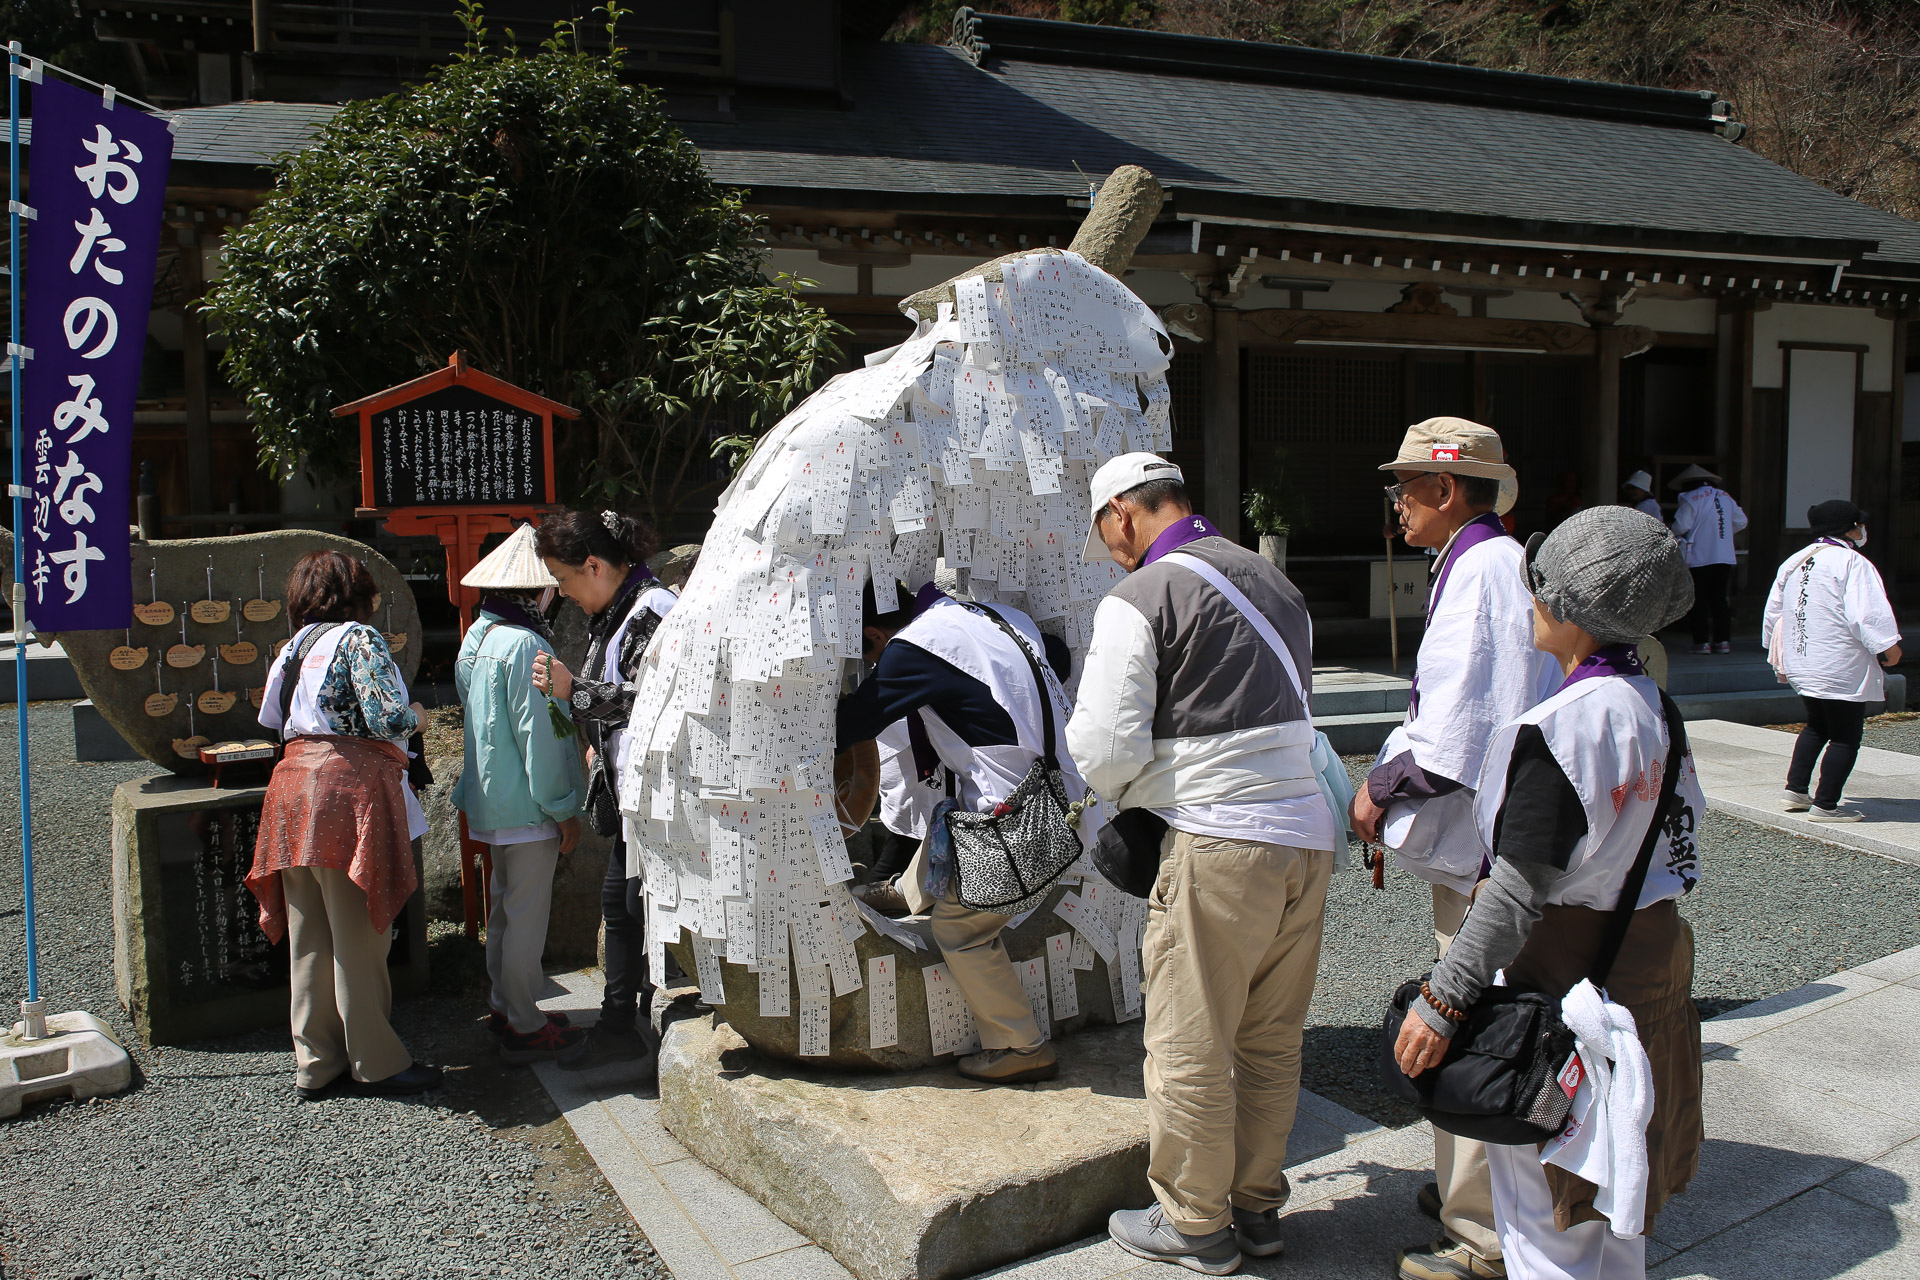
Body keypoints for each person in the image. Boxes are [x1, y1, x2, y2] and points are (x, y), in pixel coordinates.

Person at [1393, 506, 1704, 1280]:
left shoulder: (1561, 728)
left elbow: (1516, 891)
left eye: (1543, 587)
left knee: (1545, 1212)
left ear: (1574, 611)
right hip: (1649, 956)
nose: (1532, 599)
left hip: (1565, 970)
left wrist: (1444, 999)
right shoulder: (1653, 706)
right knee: (1616, 1197)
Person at [1065, 454, 1336, 1274]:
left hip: (1218, 843)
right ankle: (1257, 1208)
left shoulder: (1142, 596)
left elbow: (1103, 750)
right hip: (1306, 838)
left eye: (1105, 534)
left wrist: (1135, 783)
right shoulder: (1273, 580)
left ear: (1122, 514)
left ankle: (1192, 1221)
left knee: (1190, 1037)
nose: (1110, 549)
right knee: (1269, 1038)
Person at [1350, 418, 1561, 1280]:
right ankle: (1480, 1197)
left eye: (1406, 486)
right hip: (1509, 832)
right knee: (1489, 1008)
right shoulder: (1495, 564)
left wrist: (1377, 790)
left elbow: (1449, 738)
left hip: (1484, 845)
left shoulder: (1477, 574)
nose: (1397, 502)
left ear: (1445, 490)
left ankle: (1477, 1230)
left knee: (1464, 1019)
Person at [836, 579, 1097, 1085]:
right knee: (949, 815)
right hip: (1073, 786)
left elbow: (852, 724)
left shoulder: (912, 650)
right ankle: (908, 890)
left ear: (872, 635)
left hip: (1028, 821)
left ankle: (1020, 1044)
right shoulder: (993, 614)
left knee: (961, 930)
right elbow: (1059, 657)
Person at [248, 550, 441, 1100]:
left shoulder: (291, 648)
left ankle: (317, 1060)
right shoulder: (359, 639)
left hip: (290, 790)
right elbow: (387, 718)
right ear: (355, 595)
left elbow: (269, 720)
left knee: (308, 932)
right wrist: (423, 716)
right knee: (358, 933)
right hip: (347, 788)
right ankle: (375, 1061)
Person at [530, 510, 677, 1073]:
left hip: (661, 796)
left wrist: (575, 691)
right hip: (633, 792)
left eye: (565, 580)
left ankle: (623, 1024)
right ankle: (624, 1020)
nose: (563, 593)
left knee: (626, 903)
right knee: (621, 903)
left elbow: (654, 700)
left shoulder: (651, 610)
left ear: (594, 565)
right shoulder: (620, 611)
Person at [453, 525, 589, 1063]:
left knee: (504, 913)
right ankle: (526, 1025)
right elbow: (543, 731)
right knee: (526, 918)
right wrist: (563, 807)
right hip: (528, 804)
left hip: (490, 800)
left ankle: (506, 1007)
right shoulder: (527, 643)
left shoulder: (477, 637)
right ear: (536, 590)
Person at [1762, 499, 1903, 822]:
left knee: (1817, 724)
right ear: (1850, 528)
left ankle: (1796, 788)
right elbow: (1866, 612)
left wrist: (1774, 649)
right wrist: (1887, 646)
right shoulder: (1851, 561)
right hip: (1839, 660)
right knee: (1845, 734)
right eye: (1859, 524)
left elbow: (1774, 612)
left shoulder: (1795, 561)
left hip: (1803, 658)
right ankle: (1826, 805)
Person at [1668, 463, 1747, 654]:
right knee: (1720, 599)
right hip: (1724, 555)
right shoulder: (1725, 497)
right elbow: (1741, 521)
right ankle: (1723, 641)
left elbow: (1681, 526)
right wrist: (1725, 536)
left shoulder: (1690, 498)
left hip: (1699, 556)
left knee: (1699, 599)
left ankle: (1701, 642)